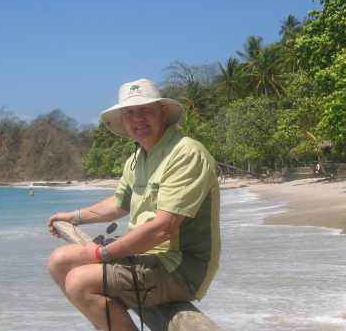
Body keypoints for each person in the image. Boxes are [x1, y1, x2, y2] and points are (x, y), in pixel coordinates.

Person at [47, 78, 221, 331]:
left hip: (180, 267)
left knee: (79, 283)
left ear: (163, 113)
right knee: (59, 261)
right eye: (129, 112)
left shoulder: (186, 153)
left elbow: (164, 228)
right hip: (147, 256)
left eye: (145, 110)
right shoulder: (138, 157)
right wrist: (74, 217)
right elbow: (119, 204)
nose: (137, 118)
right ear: (123, 119)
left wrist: (102, 253)